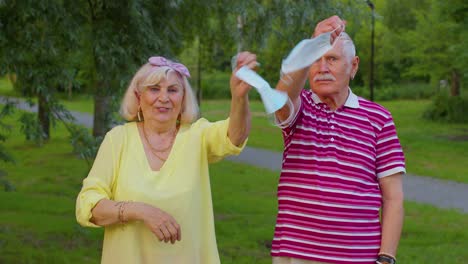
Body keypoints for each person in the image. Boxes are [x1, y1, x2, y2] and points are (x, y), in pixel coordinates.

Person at [75, 52, 257, 263]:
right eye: (154, 89)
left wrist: (239, 97)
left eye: (173, 90)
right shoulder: (118, 139)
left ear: (183, 99)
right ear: (138, 97)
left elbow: (235, 135)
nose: (164, 98)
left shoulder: (197, 136)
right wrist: (140, 210)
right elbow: (88, 205)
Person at [271, 16, 405, 264]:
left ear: (353, 66)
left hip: (359, 257)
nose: (322, 68)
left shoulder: (379, 119)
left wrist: (386, 258)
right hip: (298, 255)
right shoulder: (302, 108)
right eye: (315, 60)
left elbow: (393, 197)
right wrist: (312, 45)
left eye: (331, 59)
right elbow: (279, 102)